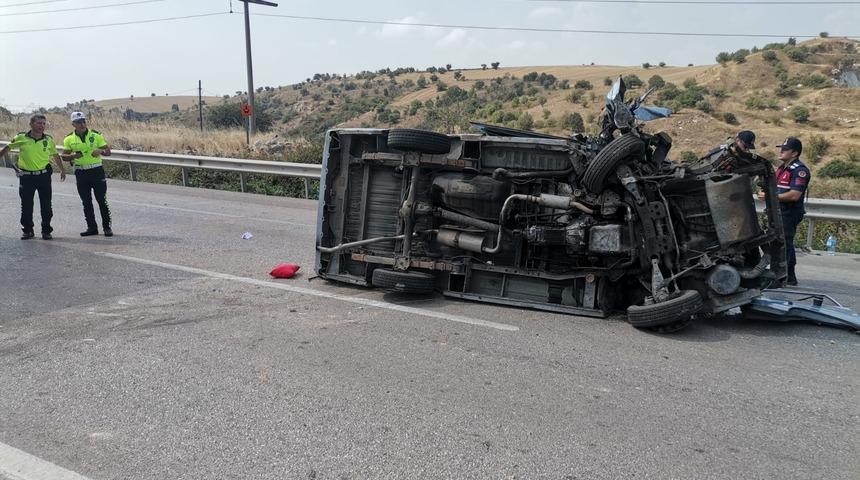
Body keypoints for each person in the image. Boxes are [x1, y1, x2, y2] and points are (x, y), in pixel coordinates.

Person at [0, 114, 66, 240]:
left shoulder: (48, 139)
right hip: (26, 177)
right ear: (31, 124)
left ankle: (46, 230)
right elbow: (7, 149)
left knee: (46, 205)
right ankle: (28, 230)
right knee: (26, 205)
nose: (42, 126)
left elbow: (55, 155)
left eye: (43, 123)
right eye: (39, 123)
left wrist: (62, 170)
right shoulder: (21, 137)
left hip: (43, 177)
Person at [61, 112, 113, 236]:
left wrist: (100, 151)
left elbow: (108, 151)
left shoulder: (96, 135)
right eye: (79, 122)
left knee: (102, 200)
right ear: (73, 124)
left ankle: (107, 227)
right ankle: (92, 227)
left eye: (83, 121)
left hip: (96, 171)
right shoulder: (69, 138)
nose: (82, 124)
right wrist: (73, 156)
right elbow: (64, 156)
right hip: (81, 172)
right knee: (86, 201)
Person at [771, 137, 810, 286]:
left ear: (795, 153)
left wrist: (772, 196)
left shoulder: (800, 171)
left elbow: (794, 195)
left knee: (783, 244)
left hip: (790, 212)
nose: (781, 151)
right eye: (781, 148)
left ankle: (780, 278)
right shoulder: (782, 168)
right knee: (786, 242)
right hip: (780, 210)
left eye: (785, 149)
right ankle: (790, 276)